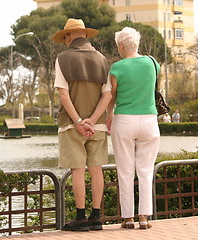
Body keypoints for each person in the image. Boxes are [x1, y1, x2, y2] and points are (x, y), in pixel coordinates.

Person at [53, 18, 112, 231]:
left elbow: (63, 94)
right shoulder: (102, 59)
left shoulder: (62, 58)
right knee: (96, 169)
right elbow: (107, 95)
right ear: (86, 35)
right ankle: (96, 217)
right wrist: (93, 120)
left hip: (71, 125)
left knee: (78, 170)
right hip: (96, 125)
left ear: (68, 37)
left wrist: (78, 121)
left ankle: (80, 218)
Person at [106, 27, 160, 229]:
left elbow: (111, 96)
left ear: (121, 46)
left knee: (125, 171)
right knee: (145, 171)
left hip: (124, 120)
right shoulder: (153, 63)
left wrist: (109, 116)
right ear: (136, 44)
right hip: (149, 120)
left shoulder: (116, 68)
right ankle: (144, 217)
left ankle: (128, 218)